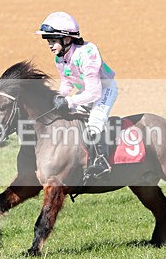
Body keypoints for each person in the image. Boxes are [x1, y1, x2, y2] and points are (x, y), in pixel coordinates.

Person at [35, 11, 118, 179]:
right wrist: (58, 96)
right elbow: (67, 83)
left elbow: (94, 92)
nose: (50, 45)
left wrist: (70, 101)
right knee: (68, 117)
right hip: (86, 91)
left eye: (53, 41)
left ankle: (101, 162)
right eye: (48, 41)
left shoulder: (88, 52)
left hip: (104, 89)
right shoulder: (60, 58)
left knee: (94, 123)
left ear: (66, 39)